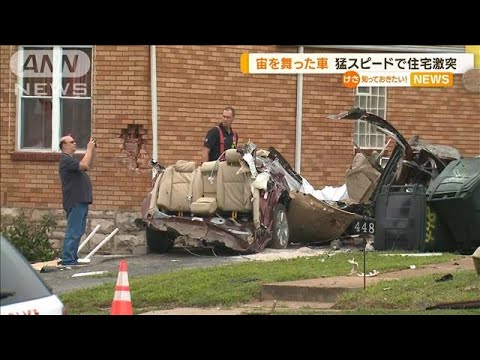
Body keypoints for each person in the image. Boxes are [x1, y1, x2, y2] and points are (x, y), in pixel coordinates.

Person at [58, 135, 97, 266]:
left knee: (78, 231)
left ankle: (72, 259)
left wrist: (93, 150)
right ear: (64, 146)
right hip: (74, 201)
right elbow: (85, 164)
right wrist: (88, 148)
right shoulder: (65, 160)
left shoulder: (72, 161)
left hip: (81, 200)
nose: (75, 143)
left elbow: (89, 165)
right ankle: (68, 260)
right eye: (72, 142)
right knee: (73, 231)